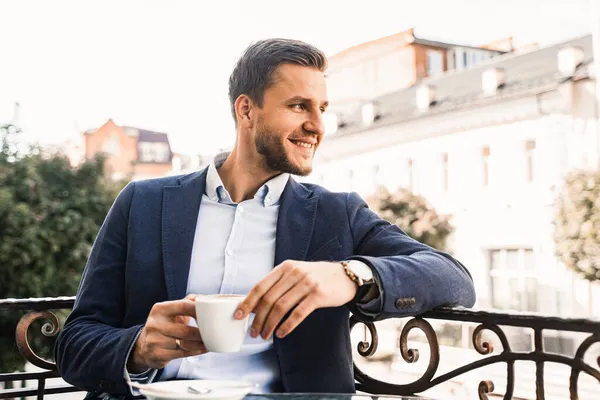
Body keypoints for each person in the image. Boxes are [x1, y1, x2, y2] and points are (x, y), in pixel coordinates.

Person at [54, 38, 476, 399]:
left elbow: (454, 278)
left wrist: (349, 276)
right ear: (246, 110)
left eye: (322, 108)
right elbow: (74, 343)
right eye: (298, 106)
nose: (317, 125)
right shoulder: (143, 202)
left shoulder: (336, 213)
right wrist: (139, 347)